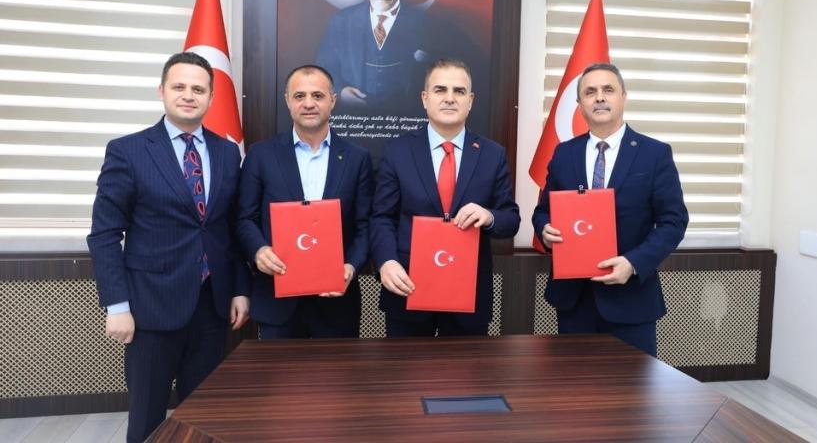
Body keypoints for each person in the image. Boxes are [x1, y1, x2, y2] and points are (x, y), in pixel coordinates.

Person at [87, 52, 250, 443]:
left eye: (198, 89)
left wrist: (240, 288)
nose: (188, 95)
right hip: (150, 309)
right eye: (179, 86)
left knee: (203, 417)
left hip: (212, 307)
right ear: (162, 91)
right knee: (147, 419)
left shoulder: (227, 152)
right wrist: (117, 306)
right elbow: (105, 234)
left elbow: (229, 228)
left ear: (211, 97)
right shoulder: (128, 150)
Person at [532, 62, 688, 356]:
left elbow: (674, 221)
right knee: (575, 381)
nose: (600, 97)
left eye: (608, 90)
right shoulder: (564, 154)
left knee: (632, 384)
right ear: (580, 104)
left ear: (623, 97)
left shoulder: (654, 154)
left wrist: (633, 262)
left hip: (631, 299)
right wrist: (545, 229)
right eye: (590, 92)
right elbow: (542, 211)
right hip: (574, 301)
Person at [371, 58, 520, 336]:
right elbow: (382, 217)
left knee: (464, 366)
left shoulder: (492, 154)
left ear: (470, 101)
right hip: (408, 288)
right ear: (425, 98)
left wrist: (489, 216)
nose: (450, 98)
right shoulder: (397, 151)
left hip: (468, 295)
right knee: (404, 366)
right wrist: (386, 261)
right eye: (440, 90)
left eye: (459, 91)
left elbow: (510, 219)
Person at [236, 65, 373, 338]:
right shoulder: (261, 155)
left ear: (333, 100)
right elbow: (244, 219)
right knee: (278, 369)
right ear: (288, 101)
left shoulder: (357, 159)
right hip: (277, 301)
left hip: (337, 304)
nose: (308, 103)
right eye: (299, 96)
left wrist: (351, 265)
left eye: (317, 96)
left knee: (335, 369)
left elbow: (365, 225)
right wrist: (258, 250)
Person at [316, 0, 432, 113]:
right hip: (352, 119)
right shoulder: (341, 22)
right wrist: (340, 92)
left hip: (406, 119)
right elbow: (324, 69)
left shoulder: (425, 24)